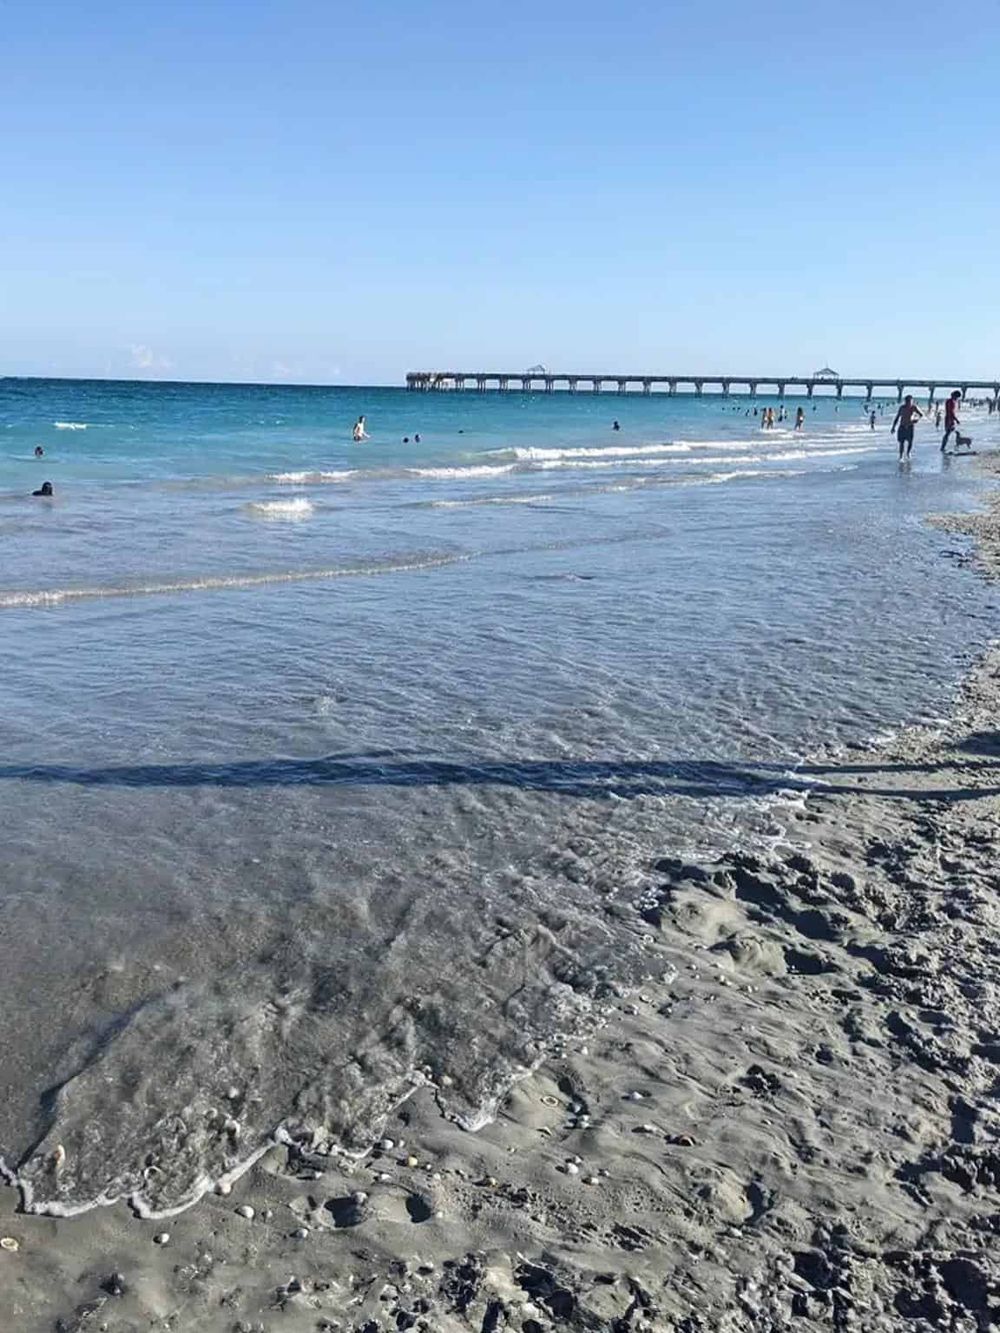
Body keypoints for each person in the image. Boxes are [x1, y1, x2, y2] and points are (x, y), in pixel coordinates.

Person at [891, 395, 923, 460]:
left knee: (910, 442)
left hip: (910, 427)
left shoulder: (914, 407)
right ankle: (901, 456)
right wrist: (893, 427)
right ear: (905, 402)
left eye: (910, 402)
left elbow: (921, 415)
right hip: (902, 426)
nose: (909, 403)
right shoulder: (902, 408)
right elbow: (897, 417)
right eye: (907, 402)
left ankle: (908, 453)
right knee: (901, 442)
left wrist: (916, 419)